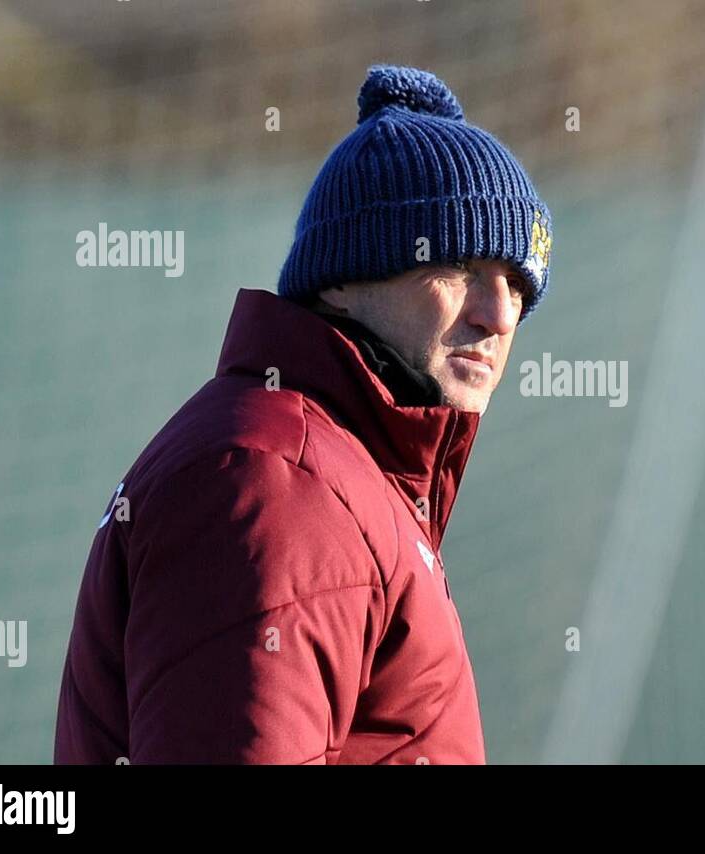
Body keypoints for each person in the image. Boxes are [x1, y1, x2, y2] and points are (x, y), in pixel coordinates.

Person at [54, 64, 553, 764]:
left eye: (518, 287)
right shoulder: (277, 483)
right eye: (461, 266)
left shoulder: (344, 478)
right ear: (346, 273)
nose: (499, 314)